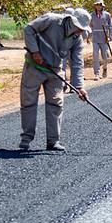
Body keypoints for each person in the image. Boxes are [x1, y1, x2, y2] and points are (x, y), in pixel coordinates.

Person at [20, 8, 91, 151]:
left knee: (56, 104)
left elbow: (77, 62)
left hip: (56, 70)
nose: (78, 31)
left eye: (81, 29)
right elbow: (28, 29)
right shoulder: (51, 20)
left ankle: (53, 141)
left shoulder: (77, 38)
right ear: (70, 20)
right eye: (78, 27)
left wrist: (79, 87)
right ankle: (26, 139)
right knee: (28, 102)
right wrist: (35, 51)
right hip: (34, 67)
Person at [88, 0, 112, 80]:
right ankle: (97, 73)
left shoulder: (107, 15)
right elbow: (89, 26)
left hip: (104, 38)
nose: (98, 6)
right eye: (97, 5)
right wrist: (88, 36)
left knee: (105, 56)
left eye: (100, 5)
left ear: (102, 6)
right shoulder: (91, 15)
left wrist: (110, 37)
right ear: (95, 6)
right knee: (95, 55)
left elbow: (111, 26)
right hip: (95, 38)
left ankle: (105, 69)